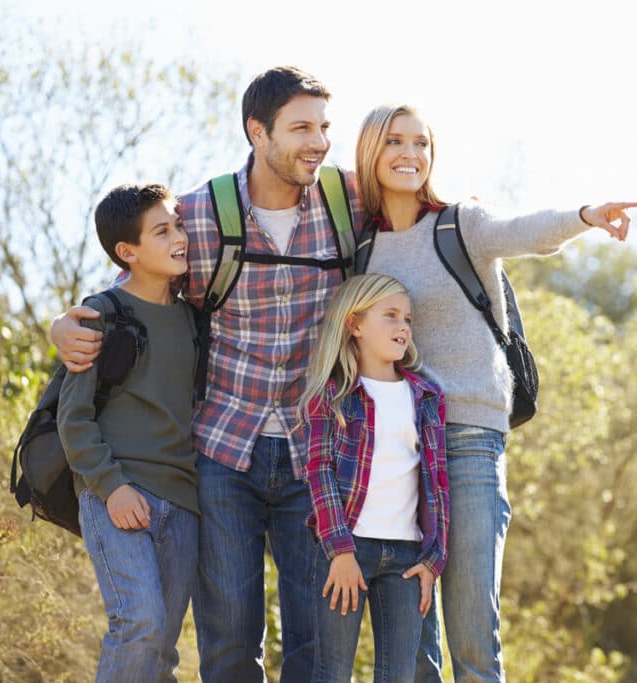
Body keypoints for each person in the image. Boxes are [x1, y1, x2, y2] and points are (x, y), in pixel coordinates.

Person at [49, 66, 363, 682]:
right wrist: (64, 324)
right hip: (222, 457)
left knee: (318, 647)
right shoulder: (198, 213)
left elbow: (416, 200)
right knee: (228, 645)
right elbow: (134, 282)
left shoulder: (346, 202)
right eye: (301, 128)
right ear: (258, 132)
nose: (318, 142)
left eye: (324, 127)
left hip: (316, 451)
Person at [353, 103, 637, 683]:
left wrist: (586, 215)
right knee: (411, 642)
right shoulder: (360, 248)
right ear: (369, 153)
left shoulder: (463, 224)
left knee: (471, 630)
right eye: (395, 142)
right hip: (396, 450)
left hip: (467, 437)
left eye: (421, 143)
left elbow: (524, 232)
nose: (410, 154)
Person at [58, 183, 197, 682]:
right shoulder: (101, 313)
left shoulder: (194, 320)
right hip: (116, 492)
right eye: (162, 231)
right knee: (138, 623)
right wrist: (111, 486)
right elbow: (73, 417)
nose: (179, 237)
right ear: (128, 252)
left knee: (160, 650)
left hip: (183, 505)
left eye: (178, 225)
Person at [302, 273, 448, 682]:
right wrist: (340, 550)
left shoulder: (427, 396)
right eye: (390, 316)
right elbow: (319, 473)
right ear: (355, 325)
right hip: (347, 552)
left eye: (407, 318)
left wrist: (433, 561)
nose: (403, 326)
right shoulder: (331, 396)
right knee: (331, 672)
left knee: (399, 676)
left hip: (406, 556)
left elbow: (438, 485)